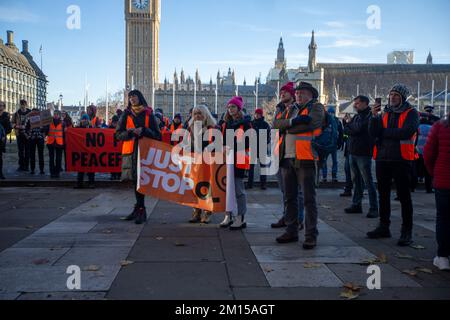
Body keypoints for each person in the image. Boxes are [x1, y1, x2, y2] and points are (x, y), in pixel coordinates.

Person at [273, 82, 325, 249]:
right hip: (287, 158)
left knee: (309, 199)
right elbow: (276, 124)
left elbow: (311, 124)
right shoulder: (291, 109)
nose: (298, 95)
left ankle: (311, 235)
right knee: (290, 198)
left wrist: (289, 126)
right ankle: (291, 230)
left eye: (302, 93)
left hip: (306, 158)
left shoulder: (316, 107)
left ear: (311, 94)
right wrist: (293, 121)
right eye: (297, 93)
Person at [368, 84, 419, 246]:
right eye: (391, 95)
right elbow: (372, 132)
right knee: (383, 195)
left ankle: (406, 231)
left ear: (403, 98)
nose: (392, 97)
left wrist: (383, 133)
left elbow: (406, 132)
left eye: (396, 95)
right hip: (383, 158)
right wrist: (374, 116)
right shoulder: (384, 113)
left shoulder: (412, 113)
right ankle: (384, 226)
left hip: (402, 159)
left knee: (404, 196)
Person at [116, 90, 161, 225]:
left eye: (134, 96)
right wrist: (130, 133)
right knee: (134, 181)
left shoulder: (148, 114)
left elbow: (158, 135)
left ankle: (141, 209)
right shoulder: (126, 114)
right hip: (130, 153)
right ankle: (138, 208)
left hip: (145, 153)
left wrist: (144, 131)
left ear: (140, 97)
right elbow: (118, 134)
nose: (131, 99)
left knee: (141, 182)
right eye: (129, 97)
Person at [271, 82, 305, 231]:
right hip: (279, 152)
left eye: (285, 92)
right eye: (281, 92)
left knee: (296, 191)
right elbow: (275, 126)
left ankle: (298, 219)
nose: (282, 94)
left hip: (294, 152)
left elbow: (294, 127)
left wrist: (284, 123)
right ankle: (287, 216)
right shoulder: (279, 108)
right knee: (285, 190)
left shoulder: (298, 108)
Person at [344, 96, 379, 218]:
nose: (355, 105)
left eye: (357, 103)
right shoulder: (358, 116)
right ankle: (356, 204)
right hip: (353, 151)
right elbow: (347, 131)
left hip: (363, 152)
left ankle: (374, 207)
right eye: (355, 103)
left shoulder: (369, 116)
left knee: (367, 181)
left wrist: (349, 125)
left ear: (365, 103)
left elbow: (358, 128)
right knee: (356, 180)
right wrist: (349, 126)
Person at [424, 112, 450, 271]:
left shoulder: (440, 126)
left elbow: (428, 154)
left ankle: (442, 257)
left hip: (444, 180)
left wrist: (434, 172)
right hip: (442, 177)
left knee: (443, 218)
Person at [221, 96, 252, 230]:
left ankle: (240, 217)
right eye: (228, 107)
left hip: (239, 158)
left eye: (233, 107)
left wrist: (231, 146)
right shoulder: (226, 124)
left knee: (239, 189)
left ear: (239, 108)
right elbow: (222, 140)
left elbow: (248, 141)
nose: (230, 109)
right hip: (227, 158)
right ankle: (228, 215)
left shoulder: (245, 124)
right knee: (227, 189)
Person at [184, 105, 218, 224]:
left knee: (207, 186)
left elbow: (218, 141)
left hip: (208, 161)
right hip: (195, 161)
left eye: (200, 113)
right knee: (194, 186)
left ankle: (207, 211)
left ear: (205, 115)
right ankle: (196, 211)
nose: (197, 116)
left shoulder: (213, 127)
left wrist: (208, 148)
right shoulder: (189, 127)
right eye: (195, 113)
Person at [247, 108, 270, 190]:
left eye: (258, 114)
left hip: (262, 147)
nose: (256, 115)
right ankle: (250, 184)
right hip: (253, 147)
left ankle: (263, 185)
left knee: (263, 167)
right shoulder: (251, 124)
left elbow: (268, 136)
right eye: (256, 114)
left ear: (261, 115)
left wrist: (264, 142)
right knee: (251, 167)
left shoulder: (265, 124)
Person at [321, 106, 342, 183]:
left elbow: (341, 133)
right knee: (324, 161)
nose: (331, 114)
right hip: (326, 145)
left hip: (333, 145)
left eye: (332, 113)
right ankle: (324, 176)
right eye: (330, 112)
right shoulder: (324, 121)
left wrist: (340, 143)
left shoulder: (337, 122)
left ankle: (334, 176)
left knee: (334, 161)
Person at [75, 114, 96, 189]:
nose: (84, 121)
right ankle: (79, 183)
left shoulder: (92, 128)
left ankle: (91, 183)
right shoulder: (78, 128)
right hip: (81, 151)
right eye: (83, 119)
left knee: (90, 168)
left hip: (90, 150)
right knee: (80, 168)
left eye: (86, 119)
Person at [416, 115, 434, 193]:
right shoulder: (431, 128)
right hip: (427, 153)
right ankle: (428, 189)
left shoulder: (417, 127)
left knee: (415, 170)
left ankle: (412, 187)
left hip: (416, 152)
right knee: (428, 172)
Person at [12, 100, 31, 172]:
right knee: (20, 151)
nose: (22, 106)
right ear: (20, 105)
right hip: (19, 134)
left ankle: (26, 166)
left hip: (28, 135)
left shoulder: (30, 113)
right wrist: (18, 126)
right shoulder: (16, 114)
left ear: (26, 105)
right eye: (21, 104)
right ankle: (21, 166)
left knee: (27, 151)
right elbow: (12, 123)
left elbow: (35, 123)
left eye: (24, 104)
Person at [45, 110, 65, 179]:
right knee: (51, 159)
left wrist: (64, 143)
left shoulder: (63, 123)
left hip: (59, 143)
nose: (55, 115)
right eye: (54, 114)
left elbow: (65, 134)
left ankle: (57, 172)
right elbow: (46, 132)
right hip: (51, 143)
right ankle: (52, 172)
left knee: (58, 159)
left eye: (57, 114)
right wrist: (44, 128)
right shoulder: (49, 122)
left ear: (59, 115)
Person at [26, 108, 46, 175]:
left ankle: (42, 170)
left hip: (40, 138)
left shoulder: (42, 120)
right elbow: (26, 128)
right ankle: (32, 169)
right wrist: (28, 134)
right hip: (32, 138)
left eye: (36, 112)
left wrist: (42, 129)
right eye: (33, 112)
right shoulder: (29, 120)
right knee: (32, 155)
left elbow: (46, 128)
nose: (35, 113)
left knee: (41, 155)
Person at [340, 114, 353, 197]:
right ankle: (348, 189)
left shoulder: (361, 119)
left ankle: (359, 190)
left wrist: (347, 124)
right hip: (349, 151)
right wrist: (345, 123)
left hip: (355, 151)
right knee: (347, 171)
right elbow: (345, 136)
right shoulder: (348, 125)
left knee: (357, 173)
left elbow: (353, 130)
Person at [0, 101, 12, 179]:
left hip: (1, 138)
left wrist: (4, 135)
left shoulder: (6, 115)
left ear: (4, 107)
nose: (0, 107)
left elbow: (9, 128)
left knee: (0, 156)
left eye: (1, 105)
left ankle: (0, 173)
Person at [109, 115, 121, 181]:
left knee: (119, 162)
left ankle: (119, 174)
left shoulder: (121, 128)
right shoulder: (109, 129)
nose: (115, 124)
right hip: (112, 149)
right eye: (114, 123)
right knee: (112, 162)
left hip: (119, 149)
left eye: (116, 123)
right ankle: (113, 174)